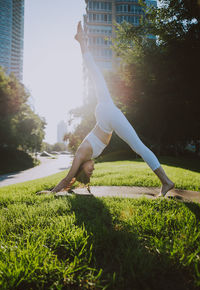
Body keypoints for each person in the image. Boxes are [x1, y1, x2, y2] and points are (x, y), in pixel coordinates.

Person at [42, 21, 174, 196]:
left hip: (106, 115)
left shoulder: (80, 155)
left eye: (89, 171)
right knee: (95, 74)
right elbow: (72, 181)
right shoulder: (86, 157)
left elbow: (67, 179)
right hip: (106, 117)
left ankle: (166, 182)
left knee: (95, 73)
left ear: (81, 167)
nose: (92, 170)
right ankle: (165, 181)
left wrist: (50, 193)